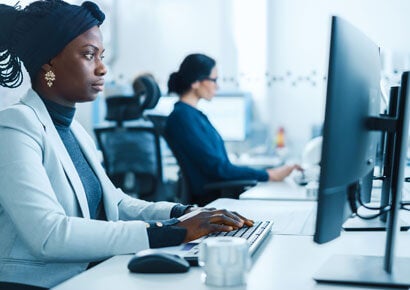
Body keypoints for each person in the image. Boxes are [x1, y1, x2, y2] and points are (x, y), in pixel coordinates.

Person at [0, 2, 253, 289]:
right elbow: (49, 234)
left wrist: (181, 213)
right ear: (48, 63)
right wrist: (168, 233)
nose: (102, 68)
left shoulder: (74, 130)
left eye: (102, 56)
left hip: (89, 276)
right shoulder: (14, 127)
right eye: (88, 55)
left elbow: (116, 203)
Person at [165, 53, 301, 206]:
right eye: (214, 80)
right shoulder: (183, 118)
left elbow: (219, 166)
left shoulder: (192, 116)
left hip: (217, 195)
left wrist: (268, 173)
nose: (217, 86)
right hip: (213, 201)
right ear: (196, 82)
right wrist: (270, 174)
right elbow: (220, 170)